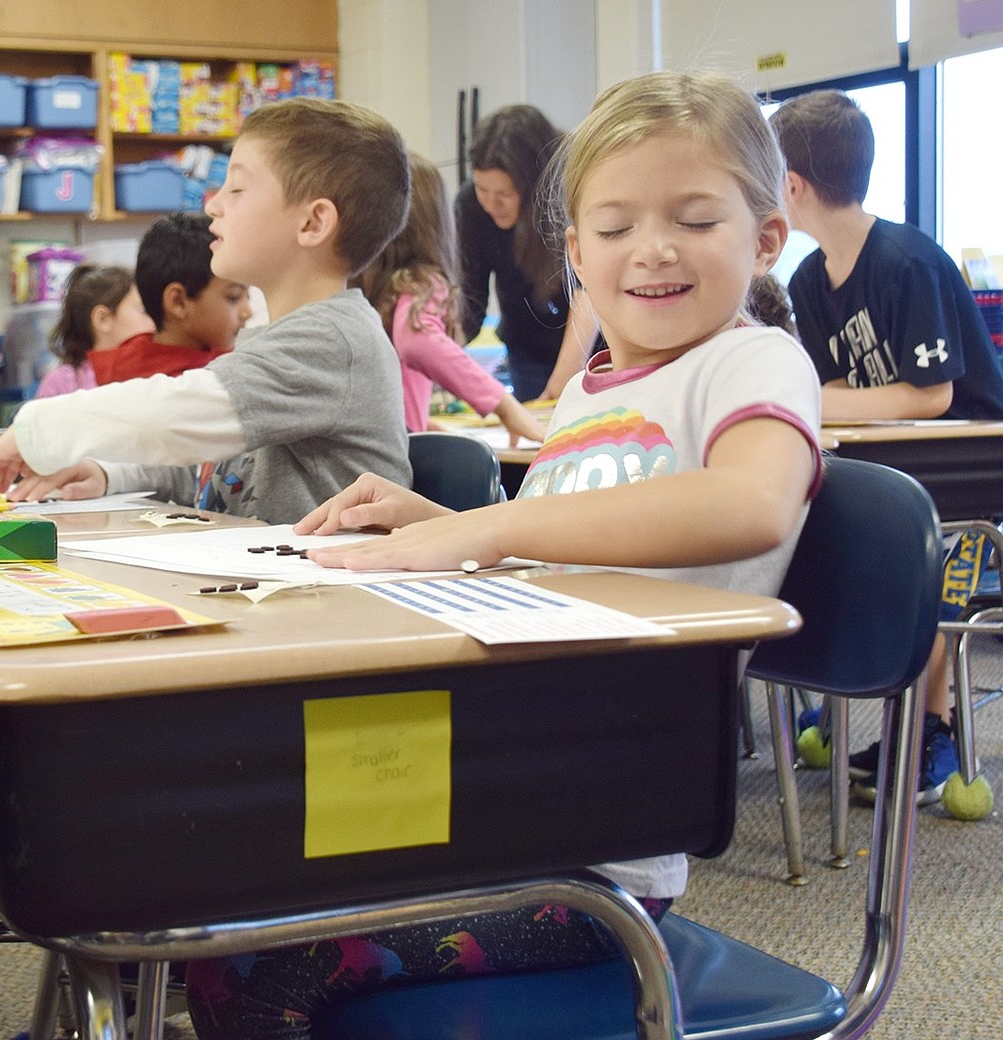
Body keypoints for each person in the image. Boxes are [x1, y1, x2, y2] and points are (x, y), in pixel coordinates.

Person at [183, 71, 823, 1039]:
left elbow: (750, 501)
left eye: (694, 218)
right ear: (573, 252)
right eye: (611, 229)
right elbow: (570, 564)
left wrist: (486, 524)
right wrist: (431, 514)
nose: (650, 249)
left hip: (599, 857)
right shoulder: (597, 391)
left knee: (251, 969)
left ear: (767, 236)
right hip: (503, 794)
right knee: (205, 858)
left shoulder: (753, 359)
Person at [0, 96, 413, 527]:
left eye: (237, 189)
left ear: (312, 224)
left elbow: (172, 416)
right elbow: (215, 475)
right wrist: (109, 474)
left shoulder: (331, 340)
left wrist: (38, 428)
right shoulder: (282, 337)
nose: (213, 205)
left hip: (333, 592)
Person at [770, 88, 1003, 804]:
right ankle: (849, 708)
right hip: (891, 457)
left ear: (794, 185)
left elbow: (931, 394)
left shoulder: (908, 260)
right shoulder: (810, 278)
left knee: (926, 585)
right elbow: (838, 380)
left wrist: (815, 399)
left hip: (967, 465)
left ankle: (934, 730)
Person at [356, 151, 546, 443]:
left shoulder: (363, 287)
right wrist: (504, 405)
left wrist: (421, 422)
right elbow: (416, 340)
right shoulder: (421, 282)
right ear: (435, 220)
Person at [456, 104, 598, 404]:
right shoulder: (471, 205)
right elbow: (470, 294)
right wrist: (440, 354)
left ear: (533, 184)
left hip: (589, 351)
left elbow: (588, 294)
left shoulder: (569, 191)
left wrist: (558, 388)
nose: (491, 205)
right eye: (483, 189)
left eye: (505, 194)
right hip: (526, 350)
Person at [88, 211, 253, 385]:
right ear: (178, 302)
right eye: (233, 297)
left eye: (247, 297)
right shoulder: (160, 386)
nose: (247, 312)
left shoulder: (129, 357)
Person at [34, 263, 155, 399]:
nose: (155, 324)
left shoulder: (150, 374)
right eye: (145, 311)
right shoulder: (61, 383)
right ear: (103, 319)